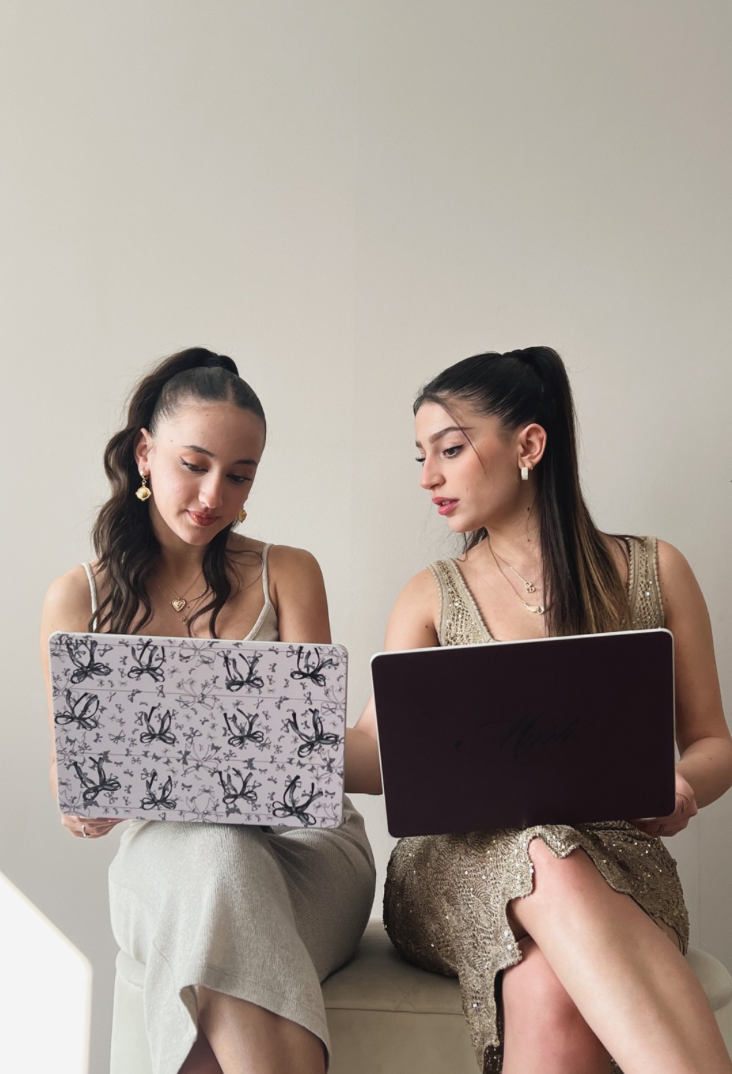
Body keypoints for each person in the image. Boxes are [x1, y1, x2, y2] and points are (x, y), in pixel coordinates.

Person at [348, 347, 732, 1074]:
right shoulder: (431, 593)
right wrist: (279, 738)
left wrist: (686, 787)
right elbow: (376, 749)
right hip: (454, 864)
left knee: (550, 984)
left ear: (528, 445)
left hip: (618, 862)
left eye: (451, 450)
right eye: (421, 456)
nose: (428, 476)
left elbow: (714, 741)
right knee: (538, 845)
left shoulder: (656, 571)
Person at [41, 348, 376, 1074]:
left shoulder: (287, 571)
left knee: (224, 878)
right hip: (168, 857)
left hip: (305, 855)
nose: (213, 494)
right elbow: (70, 783)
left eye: (239, 474)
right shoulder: (79, 601)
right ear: (144, 454)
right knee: (211, 859)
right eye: (194, 464)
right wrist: (87, 809)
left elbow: (309, 758)